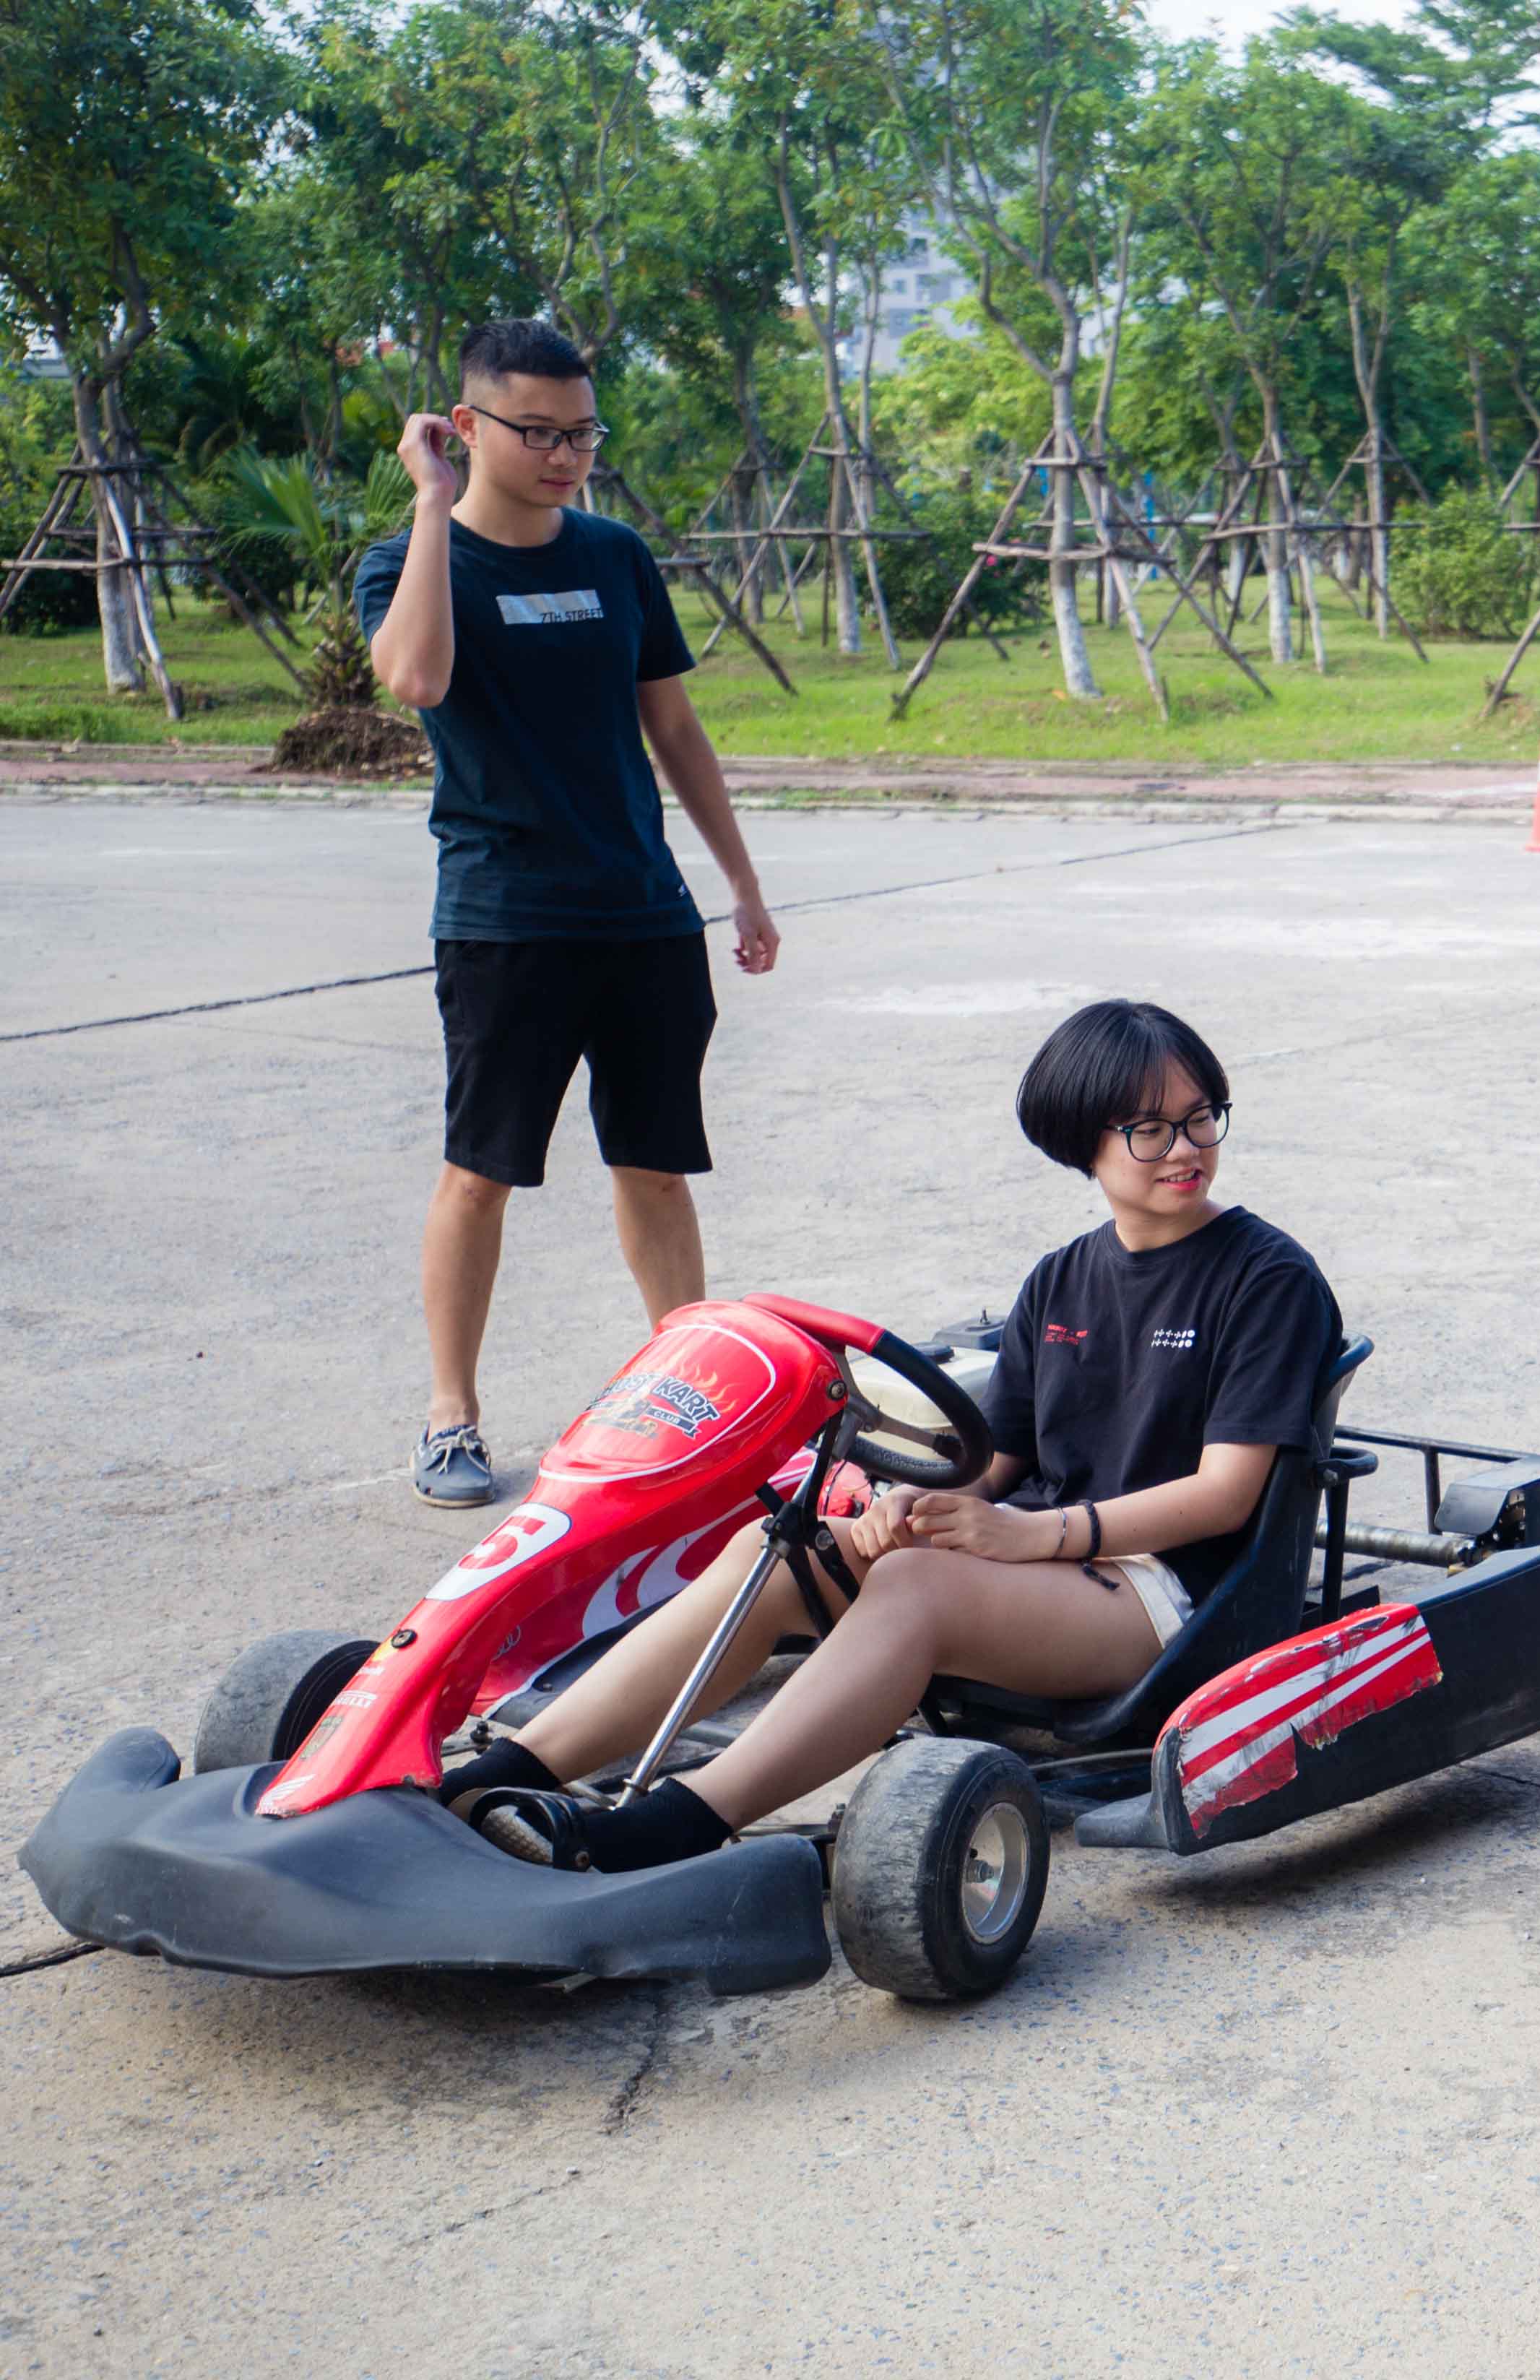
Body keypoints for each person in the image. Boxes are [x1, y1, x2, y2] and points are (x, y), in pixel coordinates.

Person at [440, 1000, 1338, 1874]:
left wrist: (1030, 1534)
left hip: (1169, 1595)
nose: (1185, 1150)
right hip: (1046, 1563)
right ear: (1084, 1144)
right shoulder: (1062, 1278)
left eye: (1199, 1120)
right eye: (1150, 1129)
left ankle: (677, 1825)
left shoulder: (1267, 1279)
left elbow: (1227, 1493)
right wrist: (919, 1502)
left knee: (915, 1586)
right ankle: (502, 1777)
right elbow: (1000, 1464)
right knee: (782, 1548)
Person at [359, 319, 784, 1509]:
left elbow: (676, 731)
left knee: (655, 1167)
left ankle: (697, 1397)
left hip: (643, 915)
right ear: (468, 424)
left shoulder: (614, 555)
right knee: (479, 1172)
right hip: (505, 920)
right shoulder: (406, 564)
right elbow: (418, 680)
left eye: (580, 431)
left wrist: (739, 884)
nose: (563, 455)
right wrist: (434, 508)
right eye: (537, 432)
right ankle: (452, 1415)